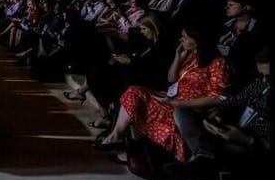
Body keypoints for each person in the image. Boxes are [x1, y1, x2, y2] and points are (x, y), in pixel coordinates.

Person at [95, 23, 230, 163]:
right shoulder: (191, 55)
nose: (181, 40)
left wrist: (181, 103)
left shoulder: (218, 62)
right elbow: (171, 78)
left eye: (184, 37)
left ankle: (129, 149)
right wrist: (178, 57)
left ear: (197, 40)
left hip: (188, 108)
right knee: (134, 91)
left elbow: (218, 97)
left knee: (138, 105)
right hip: (172, 97)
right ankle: (118, 137)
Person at [161, 47, 271, 180]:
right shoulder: (259, 84)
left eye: (268, 77)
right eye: (261, 75)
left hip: (250, 146)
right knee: (182, 112)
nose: (264, 80)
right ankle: (204, 155)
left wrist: (246, 139)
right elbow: (232, 101)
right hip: (227, 130)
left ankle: (202, 162)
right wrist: (218, 114)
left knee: (205, 168)